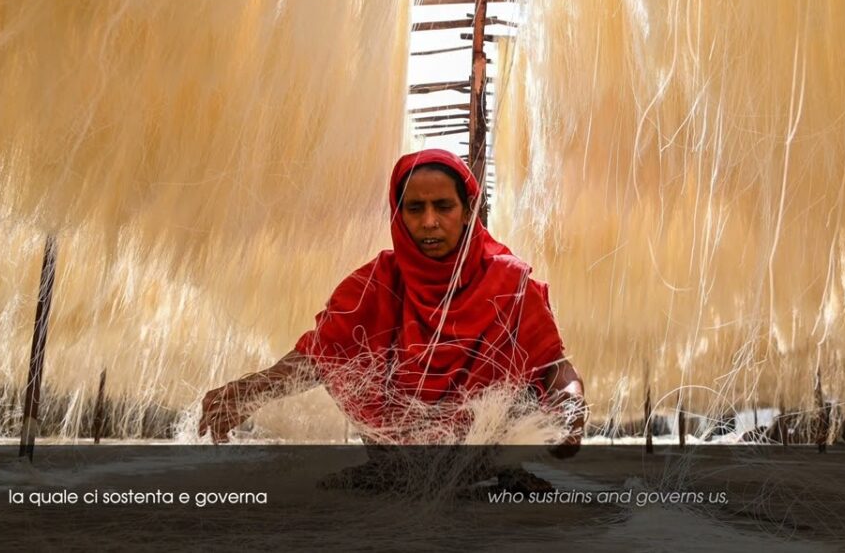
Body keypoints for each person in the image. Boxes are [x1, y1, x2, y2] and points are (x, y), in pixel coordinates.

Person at [199, 149, 585, 455]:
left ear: (468, 211)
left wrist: (571, 408)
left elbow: (555, 368)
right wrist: (250, 390)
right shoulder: (375, 285)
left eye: (444, 207)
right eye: (415, 209)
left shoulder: (510, 284)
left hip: (488, 472)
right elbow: (320, 357)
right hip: (393, 472)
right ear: (398, 216)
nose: (429, 221)